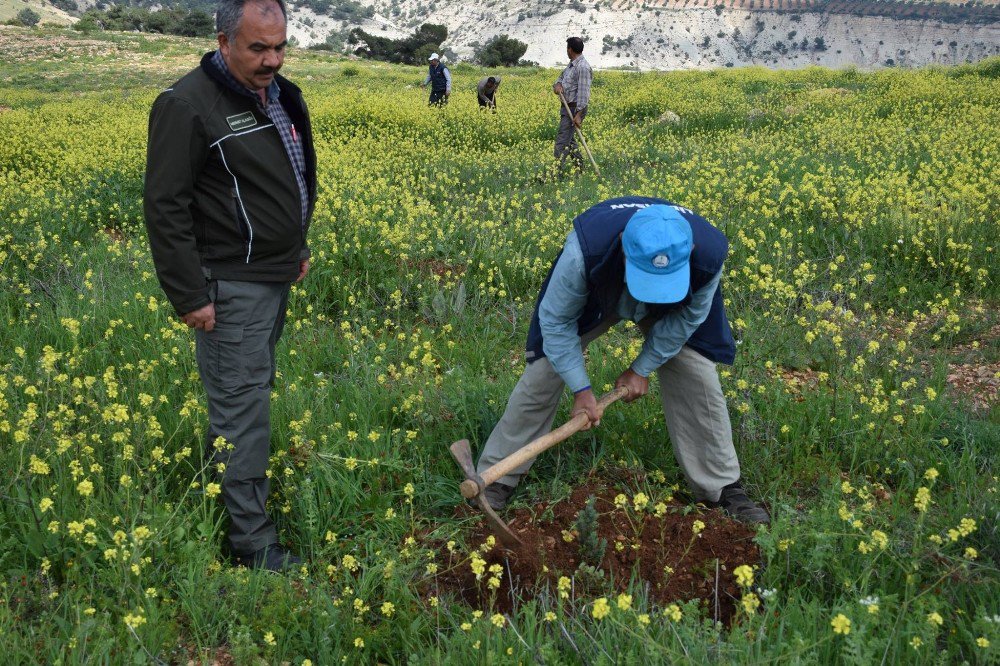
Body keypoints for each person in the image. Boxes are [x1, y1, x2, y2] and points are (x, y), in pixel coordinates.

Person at [143, 0, 316, 571]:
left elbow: (288, 178)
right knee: (242, 414)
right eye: (258, 48)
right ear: (223, 42)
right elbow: (165, 206)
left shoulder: (281, 95)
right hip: (231, 286)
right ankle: (251, 545)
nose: (272, 59)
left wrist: (295, 246)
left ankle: (244, 510)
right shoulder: (187, 104)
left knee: (251, 397)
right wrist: (189, 295)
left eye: (280, 46)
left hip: (273, 275)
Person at [474, 196, 770, 525]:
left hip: (674, 303)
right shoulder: (585, 253)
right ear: (625, 254)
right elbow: (556, 325)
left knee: (696, 370)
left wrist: (641, 369)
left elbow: (685, 323)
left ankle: (723, 488)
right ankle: (496, 476)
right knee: (544, 369)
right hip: (604, 287)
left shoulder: (707, 258)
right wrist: (581, 390)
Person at [552, 36, 592, 170]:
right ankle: (580, 168)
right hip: (567, 107)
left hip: (575, 109)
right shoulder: (571, 65)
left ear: (570, 49)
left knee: (562, 142)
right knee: (570, 142)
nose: (566, 51)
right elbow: (560, 78)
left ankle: (554, 173)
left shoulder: (583, 67)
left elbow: (583, 94)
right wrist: (558, 85)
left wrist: (579, 115)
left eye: (567, 48)